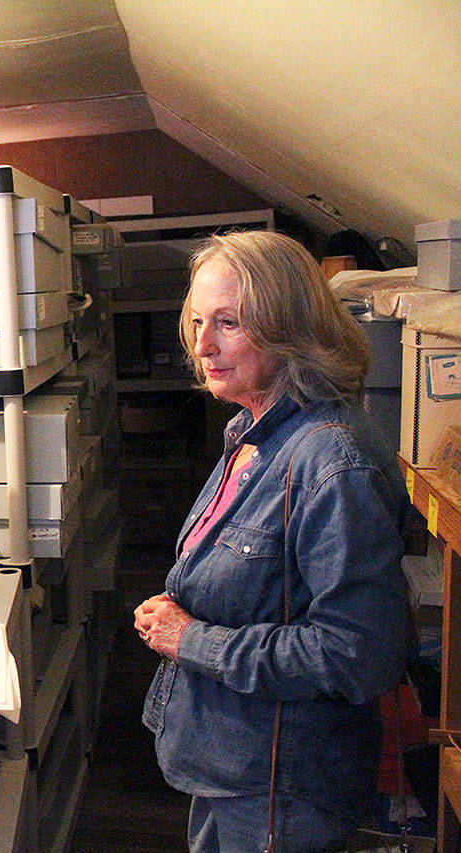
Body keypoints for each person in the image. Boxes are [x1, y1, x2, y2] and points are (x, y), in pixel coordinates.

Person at [133, 231, 413, 852]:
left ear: (290, 328)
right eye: (199, 321)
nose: (202, 345)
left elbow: (356, 654)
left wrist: (191, 638)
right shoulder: (254, 430)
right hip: (232, 766)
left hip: (280, 788)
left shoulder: (331, 460)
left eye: (228, 323)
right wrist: (183, 606)